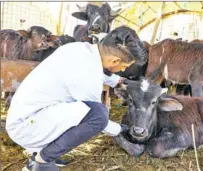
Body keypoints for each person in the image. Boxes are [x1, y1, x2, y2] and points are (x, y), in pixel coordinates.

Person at [5, 26, 143, 171]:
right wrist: (121, 129)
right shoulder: (88, 72)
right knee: (98, 115)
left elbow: (94, 72)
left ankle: (42, 151)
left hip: (26, 115)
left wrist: (117, 81)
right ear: (115, 61)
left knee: (90, 113)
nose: (123, 70)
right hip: (26, 127)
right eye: (124, 66)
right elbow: (97, 120)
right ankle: (41, 161)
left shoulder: (80, 49)